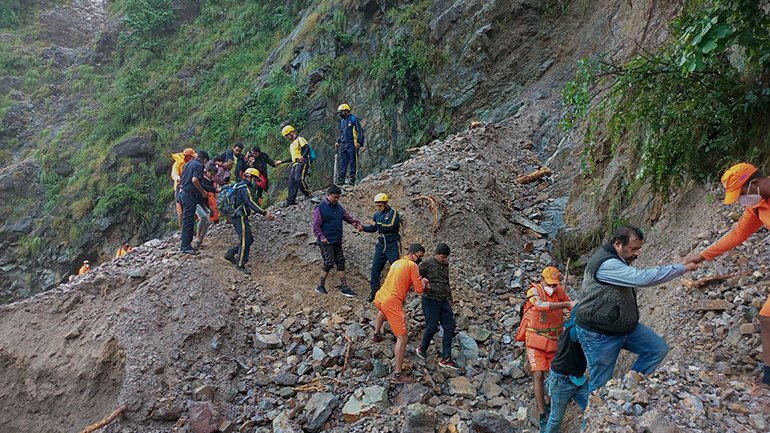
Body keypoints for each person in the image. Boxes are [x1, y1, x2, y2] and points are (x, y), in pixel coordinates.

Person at [574, 224, 697, 392]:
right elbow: (642, 278)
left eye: (638, 249)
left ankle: (630, 389)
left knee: (657, 349)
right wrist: (681, 268)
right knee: (599, 387)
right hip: (598, 333)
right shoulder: (607, 265)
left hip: (624, 326)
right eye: (633, 249)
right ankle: (596, 416)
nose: (637, 253)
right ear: (617, 244)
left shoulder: (619, 259)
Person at [683, 162, 770, 386]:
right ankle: (769, 376)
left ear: (755, 183)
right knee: (767, 316)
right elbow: (738, 234)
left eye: (742, 194)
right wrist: (702, 256)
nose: (742, 201)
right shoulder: (758, 207)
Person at [517, 266, 574, 431]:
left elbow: (572, 308)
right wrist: (566, 304)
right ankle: (542, 413)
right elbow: (540, 305)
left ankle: (549, 404)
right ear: (542, 280)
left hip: (555, 341)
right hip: (535, 340)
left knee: (554, 374)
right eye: (549, 284)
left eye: (555, 285)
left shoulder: (560, 293)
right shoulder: (533, 292)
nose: (552, 287)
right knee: (539, 374)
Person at [371, 244, 429, 384]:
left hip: (380, 297)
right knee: (402, 339)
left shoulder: (397, 262)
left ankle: (376, 335)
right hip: (393, 302)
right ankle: (398, 375)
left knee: (382, 311)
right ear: (412, 254)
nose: (420, 260)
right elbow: (419, 290)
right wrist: (424, 282)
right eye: (419, 256)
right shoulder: (412, 266)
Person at [312, 184, 362, 296]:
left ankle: (345, 288)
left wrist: (355, 223)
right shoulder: (320, 208)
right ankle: (320, 286)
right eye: (334, 197)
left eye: (338, 197)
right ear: (328, 195)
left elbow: (347, 218)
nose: (336, 199)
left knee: (340, 262)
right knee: (329, 262)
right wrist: (322, 237)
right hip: (326, 241)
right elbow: (316, 226)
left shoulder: (339, 207)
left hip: (337, 240)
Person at [223, 168, 275, 274]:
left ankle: (231, 253)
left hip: (238, 215)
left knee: (249, 239)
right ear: (248, 177)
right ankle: (240, 264)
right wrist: (264, 213)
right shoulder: (244, 188)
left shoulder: (238, 186)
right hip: (239, 216)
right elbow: (250, 203)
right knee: (245, 240)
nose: (254, 182)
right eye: (254, 179)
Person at [416, 243, 459, 370]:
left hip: (443, 299)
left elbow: (446, 282)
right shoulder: (427, 263)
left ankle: (446, 358)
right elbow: (414, 274)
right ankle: (422, 348)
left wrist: (450, 298)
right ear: (436, 254)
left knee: (450, 327)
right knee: (433, 326)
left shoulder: (445, 265)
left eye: (446, 257)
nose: (444, 259)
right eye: (442, 257)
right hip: (430, 299)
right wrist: (422, 284)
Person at [544, 316, 588, 433]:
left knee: (592, 410)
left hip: (578, 380)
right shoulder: (575, 331)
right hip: (560, 380)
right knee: (555, 419)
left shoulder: (573, 329)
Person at [362, 193, 402, 302]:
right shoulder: (377, 214)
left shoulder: (393, 212)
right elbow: (374, 228)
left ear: (386, 203)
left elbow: (391, 226)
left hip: (392, 243)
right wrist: (363, 228)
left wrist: (376, 224)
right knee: (375, 268)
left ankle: (398, 293)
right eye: (377, 206)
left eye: (380, 205)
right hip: (381, 244)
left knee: (396, 269)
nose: (378, 208)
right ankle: (374, 292)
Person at [277, 125, 319, 206]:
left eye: (287, 135)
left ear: (291, 132)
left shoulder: (300, 139)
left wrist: (303, 157)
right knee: (292, 182)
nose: (287, 137)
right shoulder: (292, 144)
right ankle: (290, 200)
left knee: (299, 179)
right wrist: (281, 161)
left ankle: (308, 194)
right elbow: (292, 157)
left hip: (302, 161)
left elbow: (307, 148)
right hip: (295, 163)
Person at [178, 150, 211, 255]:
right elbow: (194, 180)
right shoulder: (199, 166)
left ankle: (185, 244)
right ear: (204, 159)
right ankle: (186, 246)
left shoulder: (188, 164)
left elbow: (183, 178)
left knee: (187, 219)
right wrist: (202, 192)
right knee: (188, 221)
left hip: (182, 193)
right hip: (190, 195)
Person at [335, 103, 365, 185]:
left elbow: (359, 130)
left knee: (353, 161)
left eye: (341, 112)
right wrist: (338, 141)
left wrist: (358, 142)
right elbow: (342, 134)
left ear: (346, 111)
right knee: (343, 162)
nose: (340, 114)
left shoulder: (353, 119)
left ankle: (352, 178)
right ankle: (341, 178)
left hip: (353, 144)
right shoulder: (342, 122)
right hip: (344, 145)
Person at [192, 164, 220, 249]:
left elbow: (209, 191)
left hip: (204, 202)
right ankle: (197, 237)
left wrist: (209, 207)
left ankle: (200, 240)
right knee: (203, 217)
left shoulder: (211, 181)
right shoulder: (201, 179)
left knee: (207, 221)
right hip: (196, 201)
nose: (212, 176)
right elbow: (204, 187)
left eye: (214, 175)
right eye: (211, 174)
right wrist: (215, 190)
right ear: (207, 172)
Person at [171, 148, 197, 230]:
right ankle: (182, 229)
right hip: (179, 188)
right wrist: (178, 178)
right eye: (191, 157)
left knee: (192, 208)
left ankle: (190, 227)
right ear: (187, 156)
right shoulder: (177, 164)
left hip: (190, 188)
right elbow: (174, 174)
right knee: (180, 210)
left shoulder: (192, 163)